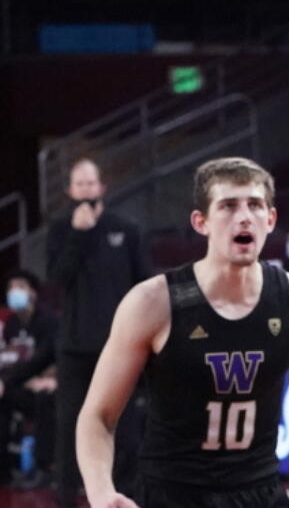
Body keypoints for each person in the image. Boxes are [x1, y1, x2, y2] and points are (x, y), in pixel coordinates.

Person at [76, 157, 289, 508]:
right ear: (201, 222)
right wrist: (101, 493)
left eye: (255, 205)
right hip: (173, 494)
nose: (244, 216)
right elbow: (98, 416)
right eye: (228, 206)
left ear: (270, 220)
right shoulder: (152, 303)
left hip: (260, 492)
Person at [46, 157, 149, 508]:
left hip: (120, 348)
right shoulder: (60, 230)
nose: (86, 191)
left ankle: (124, 498)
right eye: (79, 185)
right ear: (69, 191)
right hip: (74, 349)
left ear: (102, 187)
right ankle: (67, 498)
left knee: (126, 428)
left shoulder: (126, 228)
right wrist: (78, 234)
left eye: (92, 184)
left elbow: (145, 285)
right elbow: (57, 279)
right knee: (70, 427)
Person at [0, 270, 59, 487]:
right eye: (11, 288)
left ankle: (43, 469)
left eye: (20, 287)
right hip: (20, 385)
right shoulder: (11, 325)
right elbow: (7, 360)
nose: (14, 292)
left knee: (45, 399)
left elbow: (52, 361)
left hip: (47, 387)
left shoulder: (49, 321)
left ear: (33, 293)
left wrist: (44, 379)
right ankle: (4, 468)